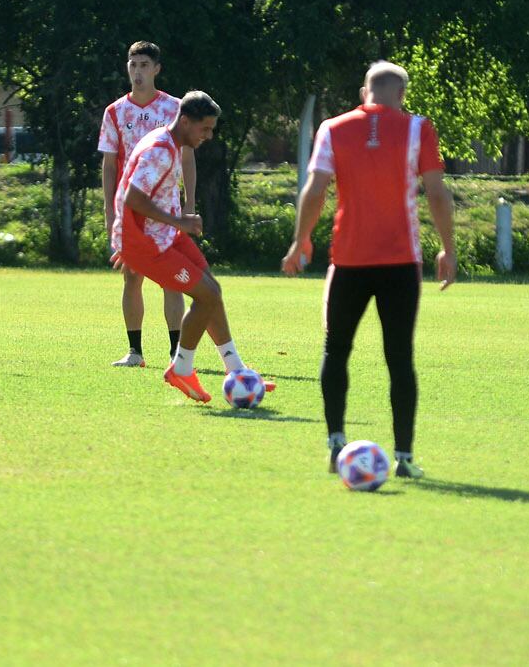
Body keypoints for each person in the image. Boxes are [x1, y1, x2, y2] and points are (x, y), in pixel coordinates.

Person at [281, 61, 456, 479]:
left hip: (349, 260)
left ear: (365, 93)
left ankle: (336, 442)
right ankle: (405, 457)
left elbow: (315, 189)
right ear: (402, 95)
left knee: (336, 349)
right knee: (399, 357)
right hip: (400, 262)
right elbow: (436, 192)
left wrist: (300, 240)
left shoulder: (333, 127)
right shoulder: (419, 128)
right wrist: (448, 249)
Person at [112, 90, 264, 403]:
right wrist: (175, 223)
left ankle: (236, 370)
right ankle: (181, 368)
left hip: (165, 235)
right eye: (204, 129)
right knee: (206, 295)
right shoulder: (160, 150)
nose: (208, 136)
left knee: (212, 290)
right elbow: (134, 199)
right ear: (185, 121)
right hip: (149, 243)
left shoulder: (170, 143)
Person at [100, 41, 195, 367]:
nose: (137, 71)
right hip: (130, 207)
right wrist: (109, 210)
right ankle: (135, 352)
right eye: (133, 64)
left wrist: (189, 202)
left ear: (156, 69)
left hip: (166, 207)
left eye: (144, 65)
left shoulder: (175, 108)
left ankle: (175, 353)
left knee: (171, 277)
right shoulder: (115, 112)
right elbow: (110, 165)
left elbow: (187, 156)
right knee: (132, 276)